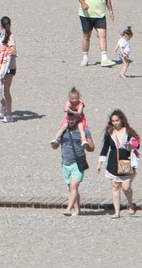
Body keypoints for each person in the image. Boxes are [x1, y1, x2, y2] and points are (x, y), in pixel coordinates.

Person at [53, 88, 91, 217]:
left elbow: (92, 148)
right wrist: (55, 142)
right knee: (72, 188)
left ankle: (68, 208)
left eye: (73, 119)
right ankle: (77, 209)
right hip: (66, 162)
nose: (71, 121)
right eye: (69, 119)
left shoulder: (83, 129)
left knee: (74, 186)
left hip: (78, 162)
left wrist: (86, 144)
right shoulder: (64, 128)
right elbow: (55, 147)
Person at [100, 109, 141, 217]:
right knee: (115, 186)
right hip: (113, 162)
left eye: (117, 120)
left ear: (121, 120)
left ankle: (131, 204)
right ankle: (117, 212)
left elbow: (137, 144)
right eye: (113, 121)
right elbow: (105, 148)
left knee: (126, 187)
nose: (115, 123)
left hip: (126, 161)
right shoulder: (110, 133)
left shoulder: (128, 131)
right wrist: (100, 162)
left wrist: (131, 144)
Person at [77, 0, 113, 66]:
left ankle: (104, 58)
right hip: (86, 15)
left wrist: (110, 10)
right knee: (86, 36)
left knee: (103, 36)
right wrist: (83, 3)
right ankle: (85, 58)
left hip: (100, 14)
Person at [0, 17, 17, 121]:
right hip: (0, 67)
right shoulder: (0, 36)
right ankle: (4, 107)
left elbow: (14, 52)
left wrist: (5, 50)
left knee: (6, 90)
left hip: (9, 67)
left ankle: (10, 114)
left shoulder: (9, 36)